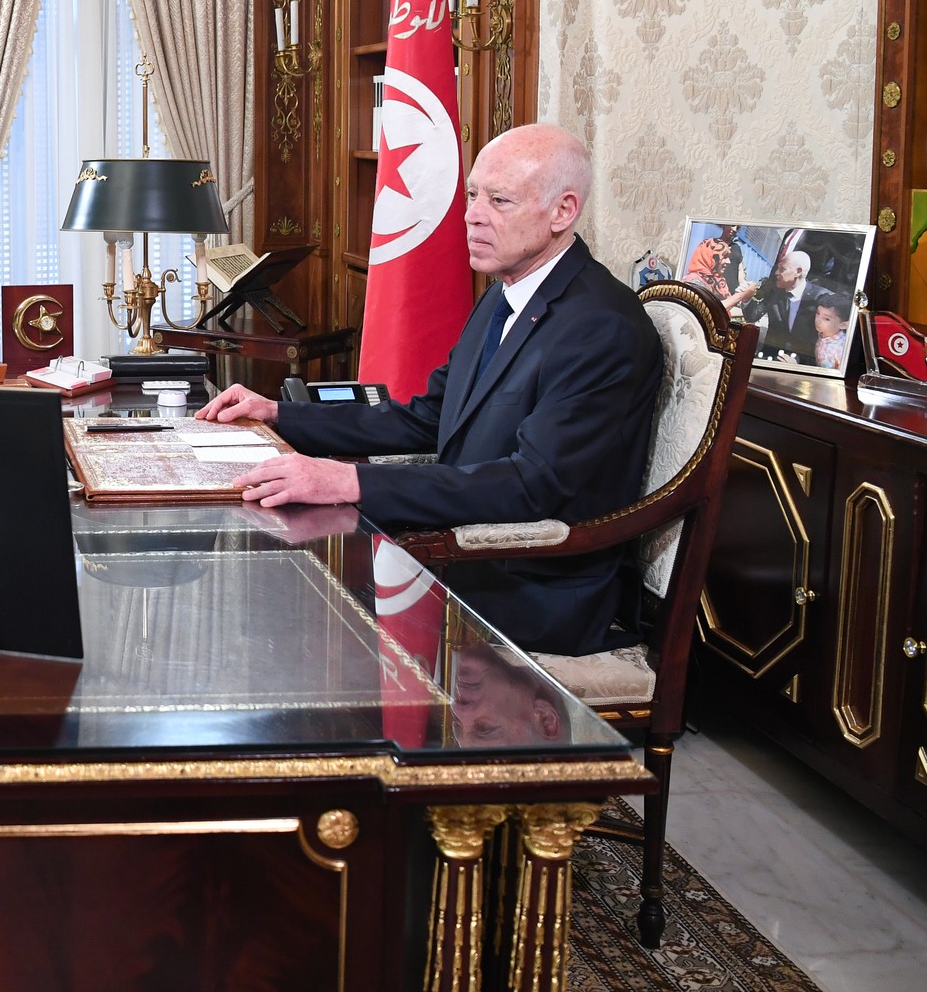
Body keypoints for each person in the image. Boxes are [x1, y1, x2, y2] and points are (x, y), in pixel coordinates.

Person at [196, 123, 662, 657]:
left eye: (499, 200)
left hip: (531, 587)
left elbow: (533, 485)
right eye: (472, 195)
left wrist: (350, 480)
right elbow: (427, 417)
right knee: (271, 584)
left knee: (294, 617)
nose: (473, 215)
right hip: (461, 549)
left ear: (563, 211)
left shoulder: (601, 326)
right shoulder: (503, 294)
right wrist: (279, 414)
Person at [734, 248, 836, 362]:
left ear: (798, 272)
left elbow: (830, 341)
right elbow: (753, 316)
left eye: (782, 269)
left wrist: (799, 367)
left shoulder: (820, 298)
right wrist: (747, 298)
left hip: (803, 365)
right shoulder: (775, 293)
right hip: (771, 359)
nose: (776, 273)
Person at [682, 223, 743, 302]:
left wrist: (742, 288)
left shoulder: (721, 285)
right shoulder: (696, 282)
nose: (728, 262)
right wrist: (741, 296)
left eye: (737, 228)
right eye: (724, 256)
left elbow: (740, 269)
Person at [812, 290, 854, 370]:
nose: (818, 320)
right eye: (818, 313)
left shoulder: (841, 349)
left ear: (843, 325)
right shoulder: (821, 333)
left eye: (826, 319)